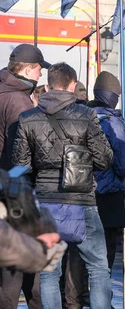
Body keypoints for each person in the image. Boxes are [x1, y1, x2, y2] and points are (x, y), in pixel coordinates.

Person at [11, 62, 114, 308]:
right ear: (73, 85)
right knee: (98, 267)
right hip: (82, 201)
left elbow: (20, 166)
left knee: (48, 272)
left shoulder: (27, 118)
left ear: (47, 86)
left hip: (45, 203)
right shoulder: (87, 115)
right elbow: (104, 159)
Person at [0, 43, 50, 309]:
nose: (41, 76)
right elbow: (20, 155)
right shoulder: (18, 102)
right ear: (29, 69)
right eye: (40, 70)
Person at [88, 71, 125, 271]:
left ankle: (76, 295)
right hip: (110, 192)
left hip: (84, 189)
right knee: (106, 248)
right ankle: (102, 296)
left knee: (84, 248)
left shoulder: (82, 116)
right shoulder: (113, 123)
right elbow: (123, 165)